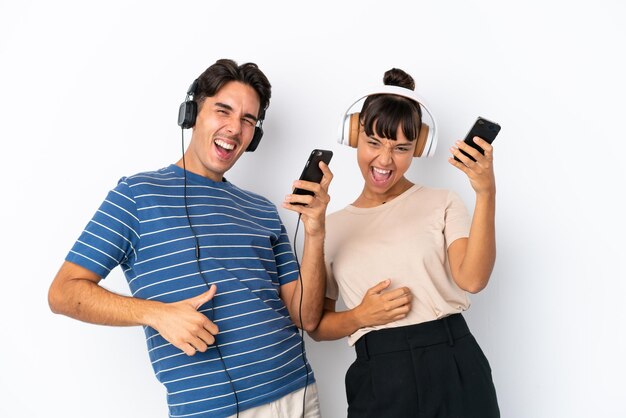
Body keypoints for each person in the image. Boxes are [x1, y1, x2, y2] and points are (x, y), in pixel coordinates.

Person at [48, 58, 332, 418]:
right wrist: (157, 315)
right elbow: (63, 292)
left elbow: (305, 317)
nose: (234, 128)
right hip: (215, 409)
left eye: (247, 120)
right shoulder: (137, 195)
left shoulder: (261, 209)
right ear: (192, 113)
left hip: (298, 391)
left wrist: (316, 231)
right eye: (223, 111)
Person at [309, 68, 500, 417]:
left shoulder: (442, 201)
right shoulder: (329, 227)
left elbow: (472, 280)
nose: (384, 160)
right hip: (379, 374)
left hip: (454, 360)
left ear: (419, 146)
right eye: (374, 143)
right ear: (355, 135)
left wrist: (486, 191)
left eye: (401, 148)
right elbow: (317, 326)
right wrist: (360, 316)